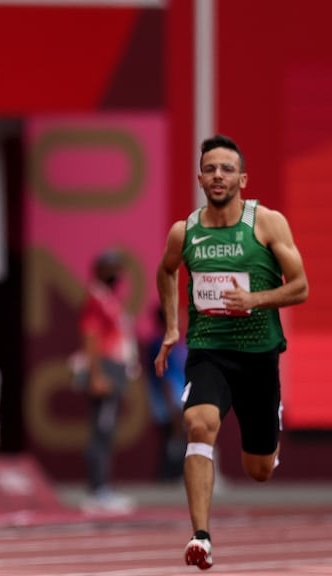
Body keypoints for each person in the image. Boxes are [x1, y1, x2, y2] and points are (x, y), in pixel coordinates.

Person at [155, 134, 308, 570]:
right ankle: (200, 537)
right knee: (198, 424)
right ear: (200, 178)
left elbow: (301, 287)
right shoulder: (185, 232)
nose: (218, 175)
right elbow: (166, 271)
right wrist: (172, 328)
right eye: (210, 169)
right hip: (209, 351)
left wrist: (254, 300)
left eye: (226, 169)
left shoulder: (267, 223)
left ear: (242, 179)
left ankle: (270, 423)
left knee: (258, 470)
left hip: (258, 356)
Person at [77, 249, 138, 512]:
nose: (118, 274)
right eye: (112, 268)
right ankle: (98, 489)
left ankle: (102, 487)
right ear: (100, 270)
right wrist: (96, 375)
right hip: (104, 368)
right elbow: (90, 336)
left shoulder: (108, 298)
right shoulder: (96, 298)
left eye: (119, 268)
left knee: (107, 429)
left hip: (113, 368)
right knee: (102, 430)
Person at [144, 305, 187, 482]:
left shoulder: (179, 345)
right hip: (167, 405)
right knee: (173, 439)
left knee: (175, 441)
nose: (183, 320)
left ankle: (173, 476)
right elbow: (165, 380)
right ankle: (168, 478)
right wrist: (173, 408)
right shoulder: (160, 345)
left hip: (178, 402)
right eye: (178, 317)